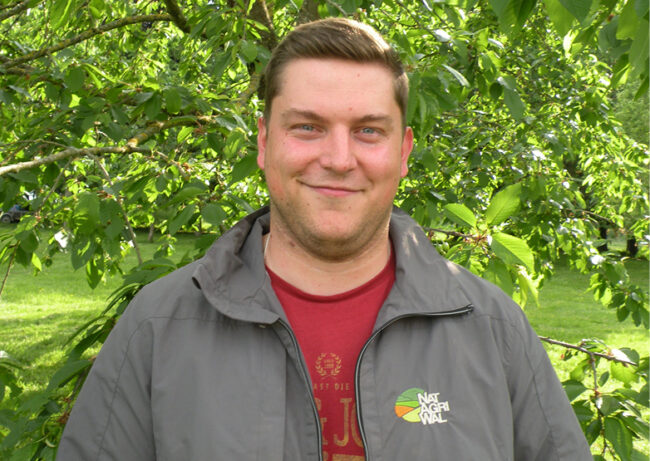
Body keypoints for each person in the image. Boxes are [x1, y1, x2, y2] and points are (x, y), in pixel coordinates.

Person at [57, 18, 592, 461]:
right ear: (264, 142)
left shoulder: (493, 331)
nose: (338, 159)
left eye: (368, 131)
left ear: (403, 152)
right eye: (308, 127)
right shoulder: (157, 327)